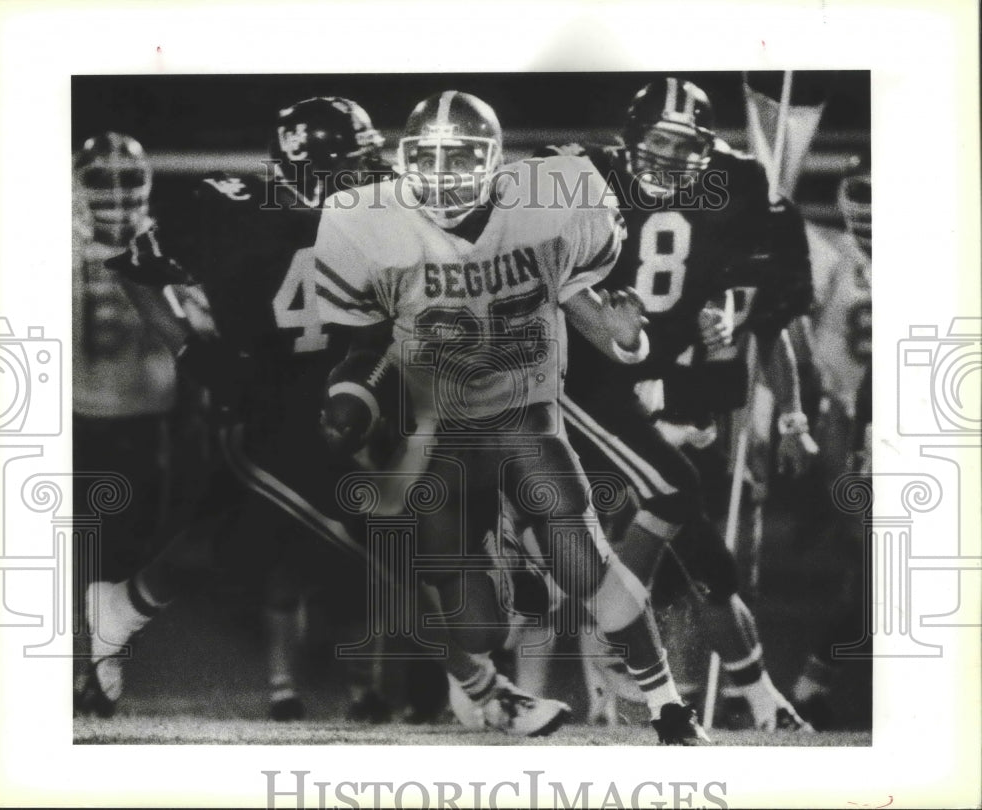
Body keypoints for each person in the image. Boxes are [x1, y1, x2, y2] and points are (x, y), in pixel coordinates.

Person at [313, 89, 711, 744]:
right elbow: (364, 344)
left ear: (494, 162)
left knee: (585, 564)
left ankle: (669, 707)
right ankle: (493, 634)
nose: (443, 176)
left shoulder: (556, 204)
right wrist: (352, 396)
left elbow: (592, 308)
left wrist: (629, 341)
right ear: (405, 161)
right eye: (429, 160)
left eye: (460, 159)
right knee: (479, 625)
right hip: (440, 430)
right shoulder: (367, 222)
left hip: (526, 414)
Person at [76, 97, 396, 722]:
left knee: (229, 539)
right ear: (310, 167)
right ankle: (483, 683)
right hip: (267, 395)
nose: (368, 177)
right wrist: (189, 350)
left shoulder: (373, 218)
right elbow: (137, 270)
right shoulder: (229, 208)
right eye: (353, 165)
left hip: (347, 391)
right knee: (365, 539)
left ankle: (121, 609)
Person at [531, 78, 816, 730]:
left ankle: (761, 699)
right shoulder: (580, 173)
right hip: (589, 385)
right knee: (599, 535)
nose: (666, 155)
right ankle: (631, 677)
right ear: (630, 140)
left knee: (710, 566)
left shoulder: (740, 188)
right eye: (656, 139)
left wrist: (731, 317)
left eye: (682, 143)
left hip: (679, 392)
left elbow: (761, 311)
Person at [72, 132, 182, 583]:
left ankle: (113, 635)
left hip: (148, 409)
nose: (116, 190)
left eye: (128, 176)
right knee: (84, 544)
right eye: (101, 176)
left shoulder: (160, 243)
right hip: (80, 412)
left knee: (138, 536)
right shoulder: (48, 246)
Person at [789, 156, 872, 728]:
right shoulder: (831, 255)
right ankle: (811, 688)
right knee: (875, 568)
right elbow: (789, 323)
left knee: (880, 577)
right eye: (862, 190)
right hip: (853, 423)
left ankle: (813, 686)